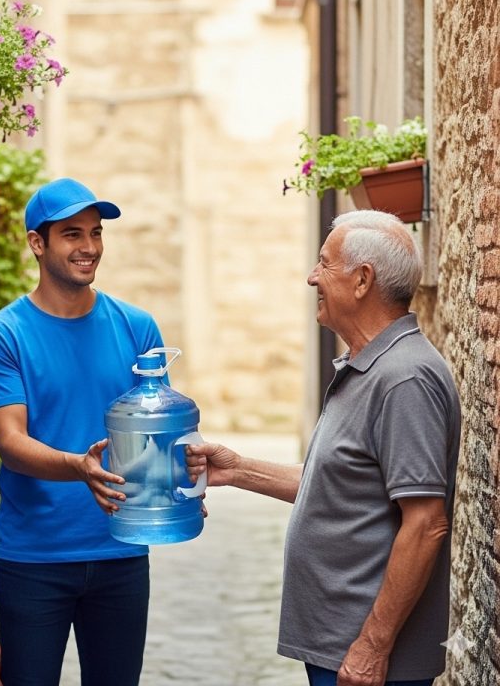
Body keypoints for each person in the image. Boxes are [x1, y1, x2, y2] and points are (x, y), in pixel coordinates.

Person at [187, 210, 461, 686]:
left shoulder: (405, 379)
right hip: (339, 647)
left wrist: (372, 646)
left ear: (362, 280)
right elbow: (340, 484)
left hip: (370, 660)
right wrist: (236, 470)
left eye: (324, 263)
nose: (312, 276)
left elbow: (425, 523)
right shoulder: (368, 367)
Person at [0, 177, 165, 686]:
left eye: (96, 234)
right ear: (38, 243)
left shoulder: (138, 328)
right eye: (72, 235)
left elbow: (155, 432)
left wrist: (177, 489)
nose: (90, 248)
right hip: (35, 557)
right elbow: (11, 444)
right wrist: (80, 468)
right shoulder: (1, 336)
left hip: (121, 551)